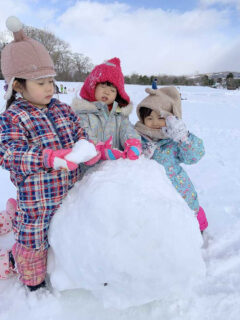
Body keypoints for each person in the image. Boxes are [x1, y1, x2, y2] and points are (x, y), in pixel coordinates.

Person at [0, 16, 100, 291]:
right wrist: (47, 157)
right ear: (17, 85)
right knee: (33, 240)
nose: (49, 88)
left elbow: (80, 133)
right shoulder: (13, 117)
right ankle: (28, 277)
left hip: (70, 192)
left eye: (51, 81)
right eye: (40, 82)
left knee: (69, 233)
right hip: (37, 201)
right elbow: (9, 153)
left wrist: (87, 149)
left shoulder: (63, 109)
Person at [135, 87, 208, 232]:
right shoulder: (137, 137)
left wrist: (184, 138)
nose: (155, 122)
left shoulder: (174, 140)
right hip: (152, 191)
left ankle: (197, 231)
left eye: (160, 117)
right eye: (149, 118)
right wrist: (140, 153)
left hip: (179, 187)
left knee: (189, 211)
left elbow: (194, 156)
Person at [71, 57, 142, 163]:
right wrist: (98, 149)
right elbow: (82, 133)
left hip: (113, 168)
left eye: (112, 90)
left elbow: (126, 129)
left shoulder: (119, 114)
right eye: (103, 87)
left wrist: (132, 142)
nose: (107, 92)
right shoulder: (83, 113)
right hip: (89, 171)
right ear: (92, 87)